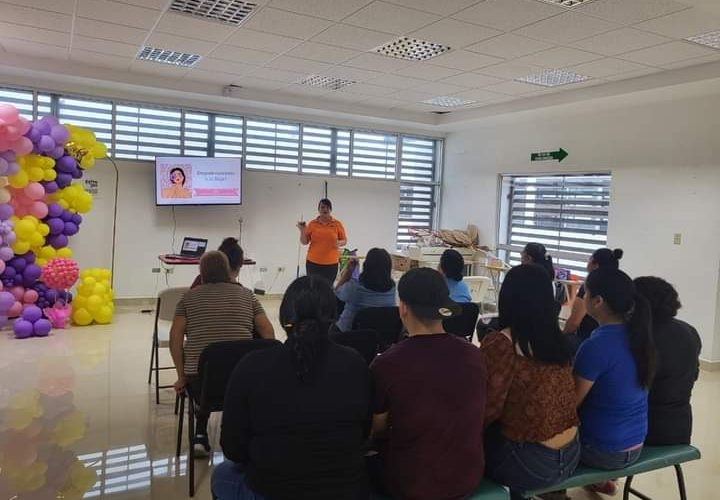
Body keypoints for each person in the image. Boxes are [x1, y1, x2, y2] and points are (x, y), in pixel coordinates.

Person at [211, 276, 371, 500]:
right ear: (333, 318)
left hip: (270, 489)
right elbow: (364, 432)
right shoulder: (355, 363)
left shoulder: (251, 366)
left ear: (284, 318)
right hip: (345, 490)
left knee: (222, 473)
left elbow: (233, 449)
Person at [368, 268, 487, 500]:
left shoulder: (386, 365)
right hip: (468, 477)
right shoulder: (474, 355)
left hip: (413, 484)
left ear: (403, 308)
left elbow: (378, 429)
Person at [482, 265, 579, 499]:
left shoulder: (500, 343)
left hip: (531, 463)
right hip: (571, 453)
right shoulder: (559, 341)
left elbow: (487, 409)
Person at [169, 251, 275, 455]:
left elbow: (175, 338)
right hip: (243, 378)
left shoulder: (188, 298)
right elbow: (268, 332)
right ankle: (242, 432)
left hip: (201, 382)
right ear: (228, 270)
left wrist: (181, 377)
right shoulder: (247, 295)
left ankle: (200, 434)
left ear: (201, 272)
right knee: (231, 377)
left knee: (210, 371)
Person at [574, 268, 655, 495]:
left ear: (598, 301)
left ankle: (553, 491)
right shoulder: (640, 337)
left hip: (602, 450)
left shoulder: (595, 347)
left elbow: (571, 404)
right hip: (636, 443)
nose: (583, 298)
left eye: (585, 293)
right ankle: (600, 481)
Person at [635, 276, 701, 445]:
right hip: (680, 427)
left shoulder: (640, 337)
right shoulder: (689, 331)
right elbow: (693, 375)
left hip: (642, 430)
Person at [564, 248, 624, 342]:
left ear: (595, 265)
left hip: (588, 338)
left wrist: (561, 338)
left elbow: (574, 323)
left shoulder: (590, 286)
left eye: (590, 259)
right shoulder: (621, 283)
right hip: (616, 339)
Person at [334, 248, 396, 332]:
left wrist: (348, 272)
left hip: (347, 336)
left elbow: (336, 293)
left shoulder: (354, 288)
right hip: (379, 338)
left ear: (366, 266)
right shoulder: (392, 289)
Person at [297, 198, 347, 284]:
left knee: (328, 288)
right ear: (319, 209)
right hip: (313, 263)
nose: (325, 209)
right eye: (322, 207)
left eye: (327, 207)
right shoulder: (312, 224)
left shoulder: (337, 224)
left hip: (331, 264)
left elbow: (344, 240)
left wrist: (339, 243)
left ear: (330, 209)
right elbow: (304, 242)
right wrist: (302, 230)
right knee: (313, 288)